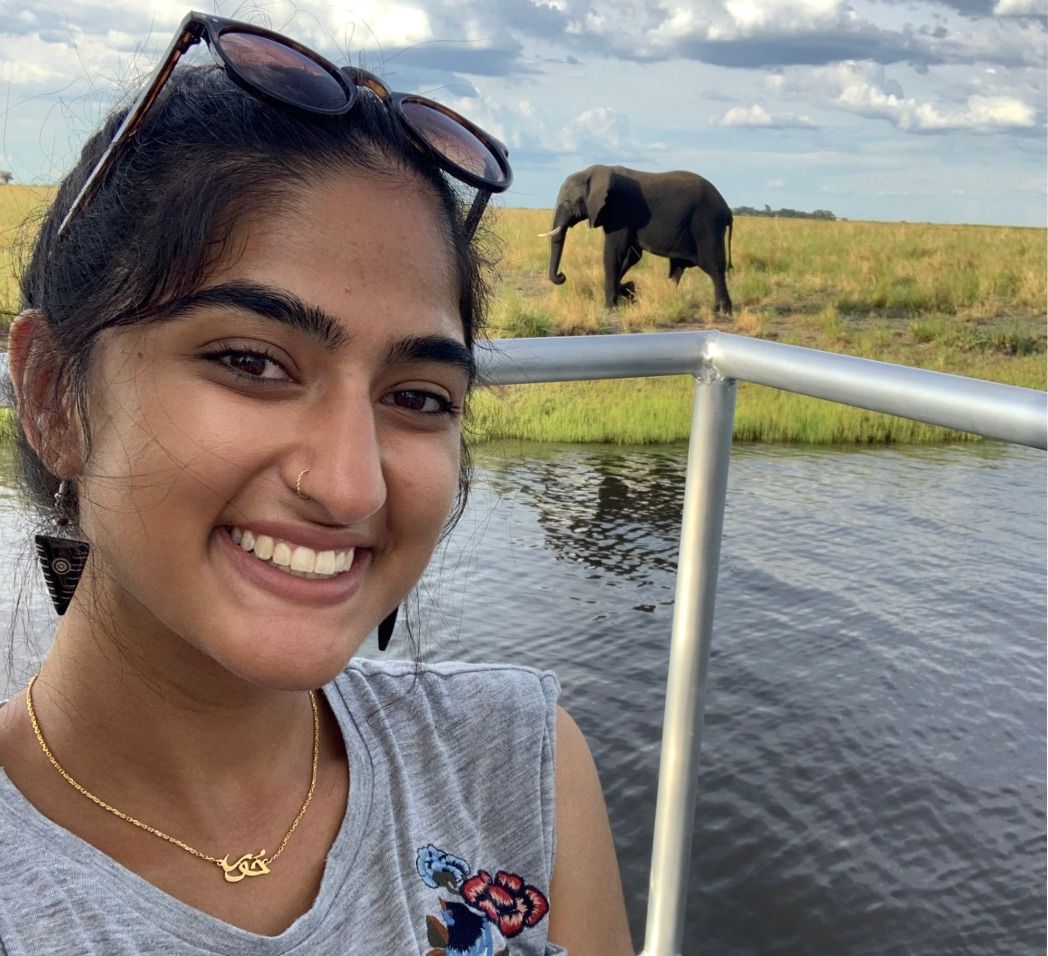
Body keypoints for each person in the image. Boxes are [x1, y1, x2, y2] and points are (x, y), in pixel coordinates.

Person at [0, 13, 633, 954]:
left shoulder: (520, 764)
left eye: (417, 396)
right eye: (253, 362)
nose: (350, 487)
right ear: (54, 398)